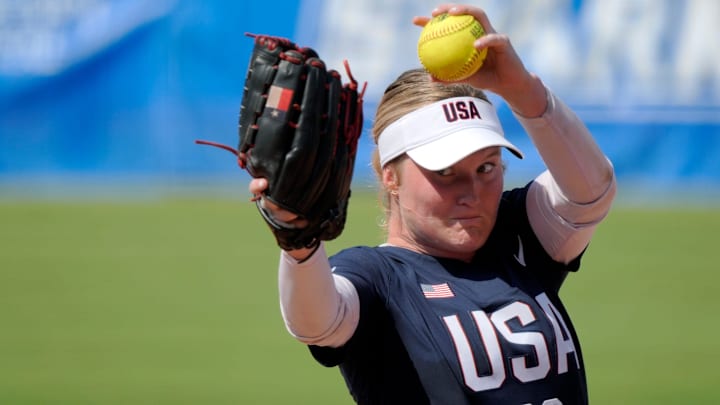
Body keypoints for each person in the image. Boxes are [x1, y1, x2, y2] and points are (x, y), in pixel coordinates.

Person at [248, 4, 616, 404]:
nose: (471, 192)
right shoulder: (379, 277)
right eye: (445, 172)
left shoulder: (517, 236)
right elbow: (318, 324)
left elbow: (591, 193)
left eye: (487, 167)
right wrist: (299, 245)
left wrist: (522, 90)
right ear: (391, 175)